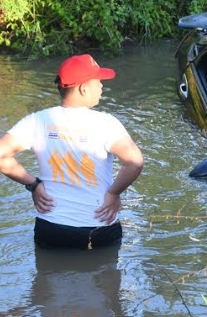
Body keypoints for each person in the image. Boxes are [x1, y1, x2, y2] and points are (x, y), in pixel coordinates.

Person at [0, 54, 144, 249]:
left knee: (46, 275)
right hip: (98, 226)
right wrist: (113, 193)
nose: (102, 86)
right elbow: (135, 162)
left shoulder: (37, 121)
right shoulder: (105, 123)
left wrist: (33, 184)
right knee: (106, 274)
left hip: (51, 226)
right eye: (98, 82)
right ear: (84, 88)